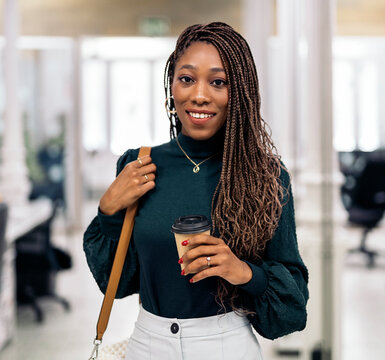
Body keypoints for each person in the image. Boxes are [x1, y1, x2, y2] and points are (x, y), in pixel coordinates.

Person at [84, 22, 309, 360]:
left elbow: (293, 308)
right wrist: (108, 211)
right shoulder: (139, 165)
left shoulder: (267, 176)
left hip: (227, 345)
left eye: (218, 82)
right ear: (171, 87)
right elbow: (118, 282)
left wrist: (243, 271)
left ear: (239, 94)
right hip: (148, 344)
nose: (199, 94)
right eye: (187, 78)